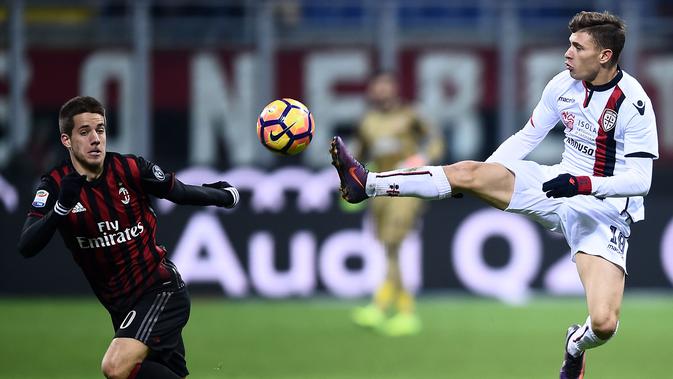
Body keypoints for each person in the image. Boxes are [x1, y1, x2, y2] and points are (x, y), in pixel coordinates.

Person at [329, 11, 657, 379]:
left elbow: (641, 180)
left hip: (603, 210)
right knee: (467, 171)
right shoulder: (561, 85)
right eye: (569, 44)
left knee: (604, 323)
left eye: (578, 47)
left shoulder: (634, 103)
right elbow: (527, 137)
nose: (567, 53)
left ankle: (575, 345)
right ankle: (367, 182)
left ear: (605, 56)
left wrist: (583, 185)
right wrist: (485, 175)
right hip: (556, 184)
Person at [18, 96, 240, 379]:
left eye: (100, 129)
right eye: (84, 132)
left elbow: (179, 192)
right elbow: (26, 245)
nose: (95, 139)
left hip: (160, 291)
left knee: (115, 367)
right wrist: (61, 208)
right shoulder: (54, 186)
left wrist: (225, 196)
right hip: (121, 308)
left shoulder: (130, 169)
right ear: (66, 139)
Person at [349, 71, 444, 336]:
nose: (382, 91)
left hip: (407, 186)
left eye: (387, 85)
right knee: (389, 250)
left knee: (393, 242)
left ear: (395, 88)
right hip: (379, 189)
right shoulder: (367, 122)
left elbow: (436, 142)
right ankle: (399, 309)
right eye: (377, 86)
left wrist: (421, 158)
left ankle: (386, 308)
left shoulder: (411, 115)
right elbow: (359, 157)